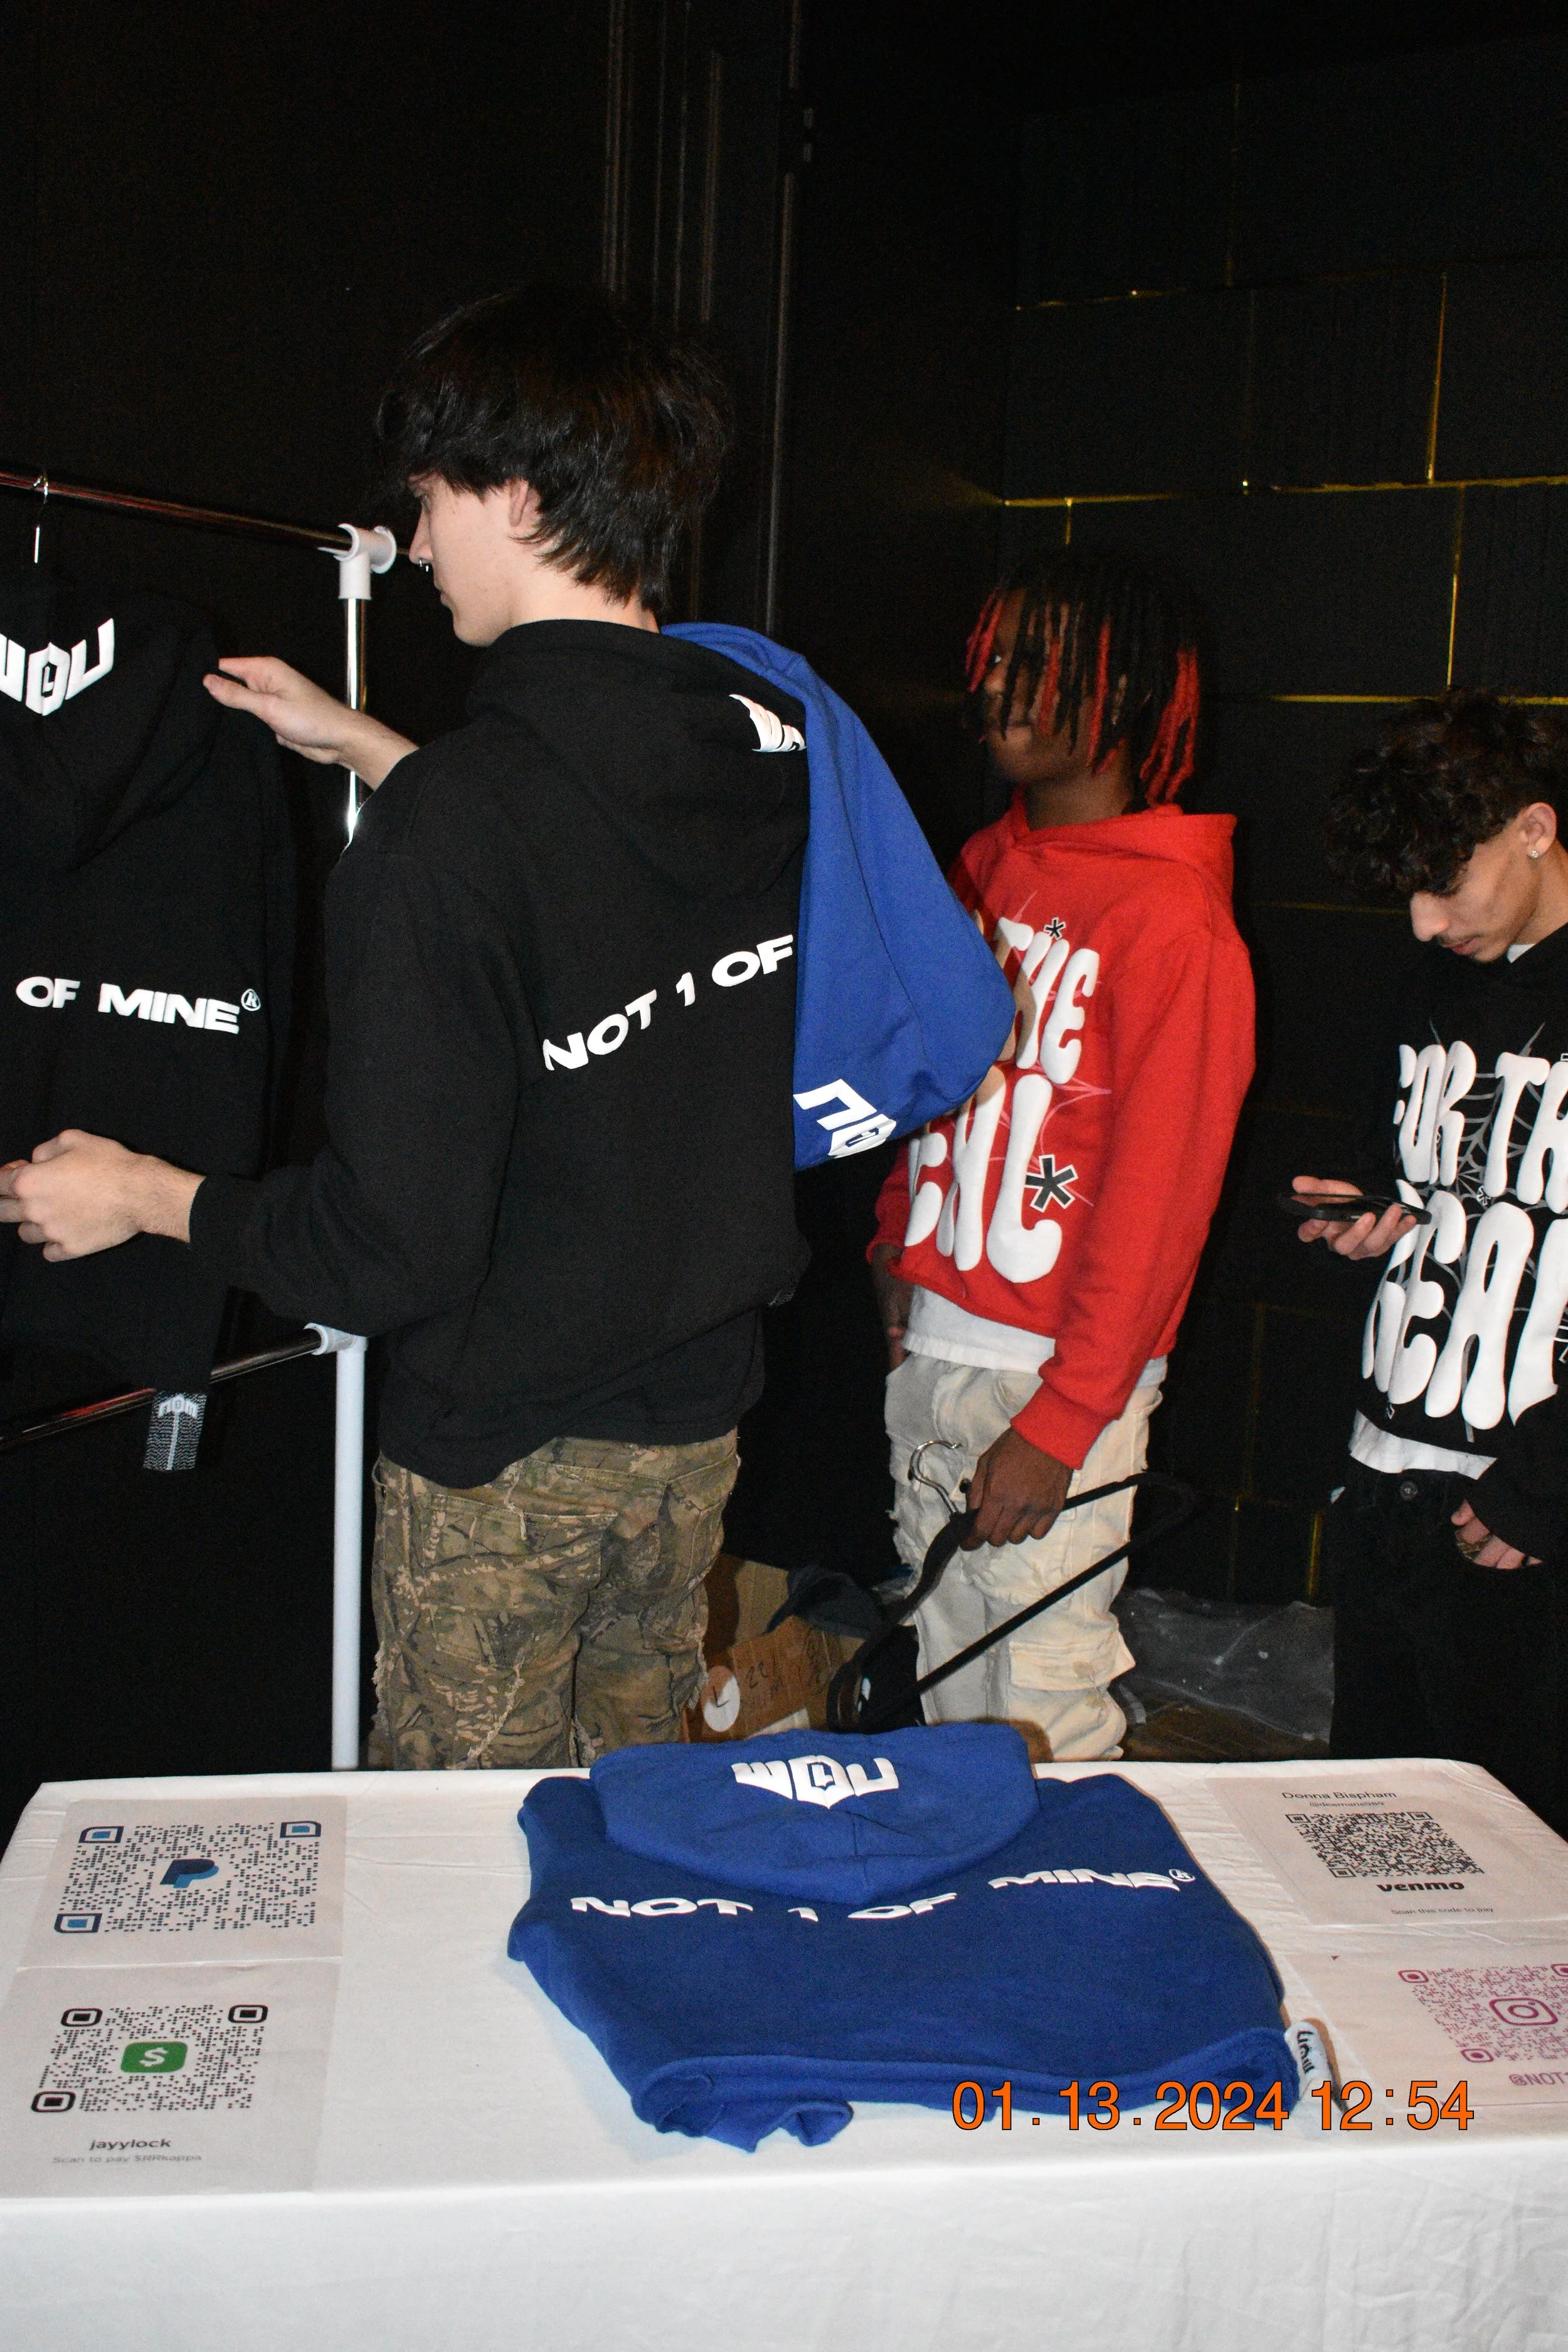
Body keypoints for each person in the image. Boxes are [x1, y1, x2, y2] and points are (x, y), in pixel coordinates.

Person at [0, 283, 813, 1772]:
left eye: (431, 501)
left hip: (503, 1467)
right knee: (629, 1837)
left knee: (461, 1889)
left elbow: (389, 1251)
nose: (420, 544)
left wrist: (136, 1196)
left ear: (511, 492)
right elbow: (593, 901)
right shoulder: (752, 737)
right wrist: (377, 749)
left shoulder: (453, 832)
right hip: (693, 1435)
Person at [869, 549, 1255, 1758]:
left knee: (1042, 1707)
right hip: (936, 1346)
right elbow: (922, 1082)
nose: (1002, 690)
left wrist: (1068, 1414)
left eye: (1042, 666)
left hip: (1051, 1379)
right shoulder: (980, 871)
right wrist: (896, 1237)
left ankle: (1073, 1938)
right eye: (997, 660)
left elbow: (1160, 1199)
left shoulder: (1174, 918)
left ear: (1129, 690)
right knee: (942, 1689)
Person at [1294, 691, 1568, 1834]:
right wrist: (1357, 1216)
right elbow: (1388, 1166)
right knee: (1382, 1848)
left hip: (1527, 1508)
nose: (1419, 920)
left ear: (1536, 831)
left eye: (1444, 886)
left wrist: (1549, 1481)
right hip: (1387, 1472)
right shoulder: (1423, 979)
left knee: (1520, 1869)